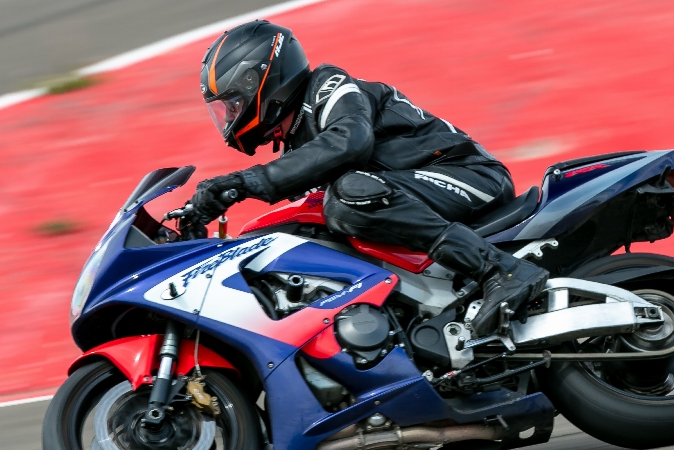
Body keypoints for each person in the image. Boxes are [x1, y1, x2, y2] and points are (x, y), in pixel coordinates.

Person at [187, 19, 548, 336]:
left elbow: (350, 141)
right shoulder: (297, 150)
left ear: (260, 81)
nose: (229, 116)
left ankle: (500, 270)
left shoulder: (327, 87)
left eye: (233, 103)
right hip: (421, 194)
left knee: (349, 195)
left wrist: (244, 182)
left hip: (469, 175)